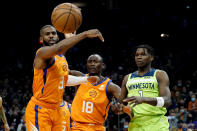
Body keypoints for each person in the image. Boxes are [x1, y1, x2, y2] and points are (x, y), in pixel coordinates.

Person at [25, 24, 104, 131]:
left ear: (58, 37)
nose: (51, 36)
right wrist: (85, 34)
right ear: (41, 39)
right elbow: (58, 48)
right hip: (40, 109)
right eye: (47, 34)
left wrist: (85, 79)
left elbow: (63, 79)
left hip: (58, 109)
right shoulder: (41, 53)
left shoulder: (61, 57)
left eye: (54, 33)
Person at [119, 44, 171, 131]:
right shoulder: (127, 78)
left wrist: (143, 99)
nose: (139, 57)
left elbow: (167, 101)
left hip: (156, 124)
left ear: (151, 58)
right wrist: (119, 108)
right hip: (135, 125)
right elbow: (122, 103)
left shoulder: (160, 74)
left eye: (143, 54)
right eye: (137, 55)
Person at [69, 54, 122, 131]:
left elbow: (125, 102)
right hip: (77, 127)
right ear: (86, 65)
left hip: (97, 127)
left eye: (95, 62)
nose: (92, 64)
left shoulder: (111, 86)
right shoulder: (80, 77)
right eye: (90, 62)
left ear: (102, 65)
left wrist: (120, 109)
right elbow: (60, 70)